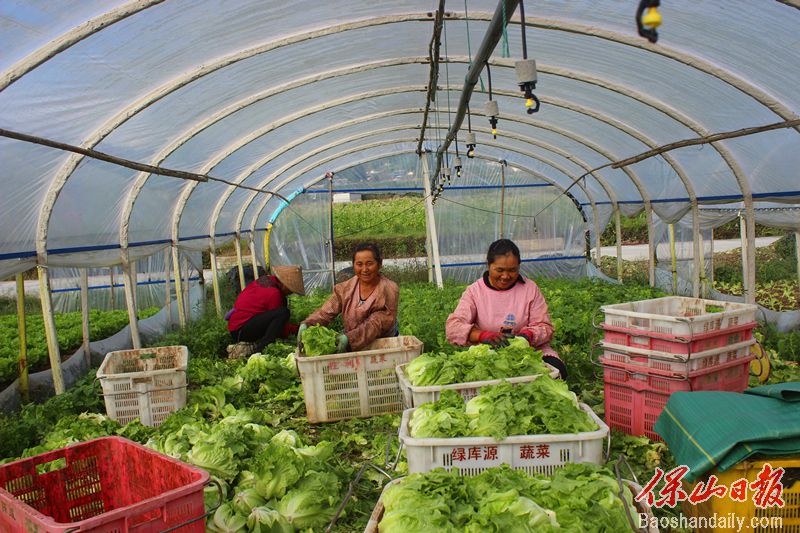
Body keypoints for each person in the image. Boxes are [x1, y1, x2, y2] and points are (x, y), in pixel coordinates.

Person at [445, 239, 568, 379]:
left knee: (558, 371)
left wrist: (527, 335)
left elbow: (544, 326)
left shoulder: (530, 289)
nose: (505, 276)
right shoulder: (475, 291)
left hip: (531, 352)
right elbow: (453, 328)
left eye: (512, 270)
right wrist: (483, 336)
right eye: (499, 270)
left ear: (519, 266)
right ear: (488, 265)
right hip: (489, 354)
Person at [300, 243, 399, 352]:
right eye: (359, 264)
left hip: (382, 345)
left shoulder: (389, 289)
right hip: (350, 342)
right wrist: (308, 323)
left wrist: (350, 338)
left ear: (379, 264)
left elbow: (377, 323)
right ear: (353, 265)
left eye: (369, 263)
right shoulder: (345, 288)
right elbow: (326, 311)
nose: (365, 269)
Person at [225, 264, 305, 359]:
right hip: (241, 330)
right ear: (284, 285)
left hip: (236, 326)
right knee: (283, 312)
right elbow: (278, 326)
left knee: (281, 312)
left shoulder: (265, 280)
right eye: (290, 290)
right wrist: (297, 329)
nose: (290, 293)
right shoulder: (274, 293)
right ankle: (262, 348)